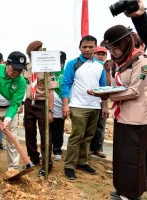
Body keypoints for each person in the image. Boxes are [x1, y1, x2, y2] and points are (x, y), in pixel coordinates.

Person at [90, 24, 147, 200]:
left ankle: (132, 194)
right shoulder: (121, 64)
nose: (113, 52)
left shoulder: (142, 62)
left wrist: (108, 96)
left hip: (136, 118)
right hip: (121, 115)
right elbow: (114, 86)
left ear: (126, 43)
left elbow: (135, 90)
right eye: (110, 48)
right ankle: (122, 188)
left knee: (134, 159)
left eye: (116, 47)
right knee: (121, 156)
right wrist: (107, 75)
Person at [61, 35, 108, 180]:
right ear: (80, 48)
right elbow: (66, 84)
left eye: (90, 47)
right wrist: (65, 105)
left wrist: (104, 106)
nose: (87, 49)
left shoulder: (100, 66)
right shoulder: (72, 64)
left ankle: (82, 161)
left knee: (88, 136)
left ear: (95, 48)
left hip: (95, 106)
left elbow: (103, 88)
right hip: (78, 105)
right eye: (84, 47)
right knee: (77, 136)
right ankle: (69, 165)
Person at [23, 41, 56, 177]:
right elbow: (23, 86)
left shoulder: (47, 68)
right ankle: (33, 157)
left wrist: (50, 110)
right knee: (29, 131)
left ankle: (47, 163)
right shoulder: (26, 68)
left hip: (43, 103)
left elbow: (51, 91)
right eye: (32, 54)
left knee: (45, 134)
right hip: (29, 102)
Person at [89, 46, 108, 158]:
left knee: (101, 124)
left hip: (102, 99)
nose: (100, 56)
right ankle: (90, 148)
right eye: (98, 54)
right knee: (91, 125)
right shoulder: (91, 66)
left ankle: (98, 148)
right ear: (94, 54)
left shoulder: (107, 68)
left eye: (103, 54)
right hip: (91, 98)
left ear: (106, 56)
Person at [51, 51, 66, 162]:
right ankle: (46, 150)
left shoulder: (66, 73)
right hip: (49, 107)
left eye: (61, 61)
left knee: (58, 130)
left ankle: (57, 150)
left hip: (61, 106)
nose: (58, 64)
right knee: (47, 130)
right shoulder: (49, 73)